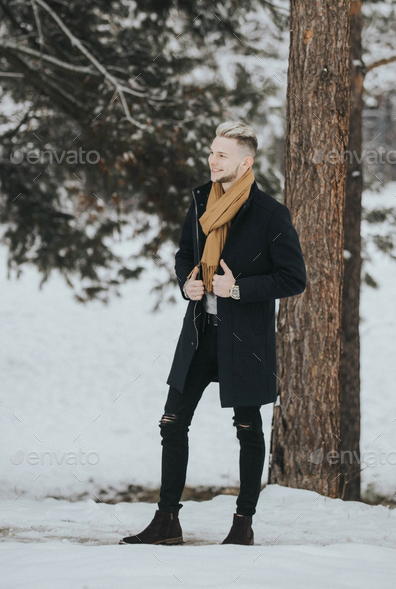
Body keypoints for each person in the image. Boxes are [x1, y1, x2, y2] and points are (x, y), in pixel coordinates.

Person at [121, 121, 306, 546]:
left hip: (244, 339)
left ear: (246, 162)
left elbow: (293, 279)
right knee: (172, 422)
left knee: (247, 429)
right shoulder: (203, 200)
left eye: (221, 155)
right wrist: (187, 280)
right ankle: (167, 522)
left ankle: (242, 525)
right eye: (211, 152)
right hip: (201, 331)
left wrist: (237, 288)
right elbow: (186, 252)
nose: (212, 160)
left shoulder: (270, 213)